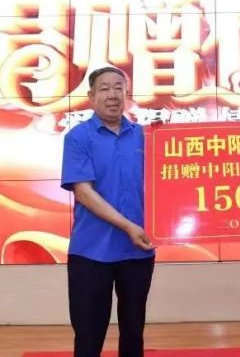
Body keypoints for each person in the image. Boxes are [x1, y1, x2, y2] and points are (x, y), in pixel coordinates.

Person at [61, 66, 155, 357]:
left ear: (127, 94)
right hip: (92, 251)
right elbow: (83, 192)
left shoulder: (145, 137)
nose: (112, 95)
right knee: (89, 335)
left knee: (133, 331)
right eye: (104, 89)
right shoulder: (78, 137)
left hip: (138, 251)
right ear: (91, 96)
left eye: (118, 88)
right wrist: (127, 226)